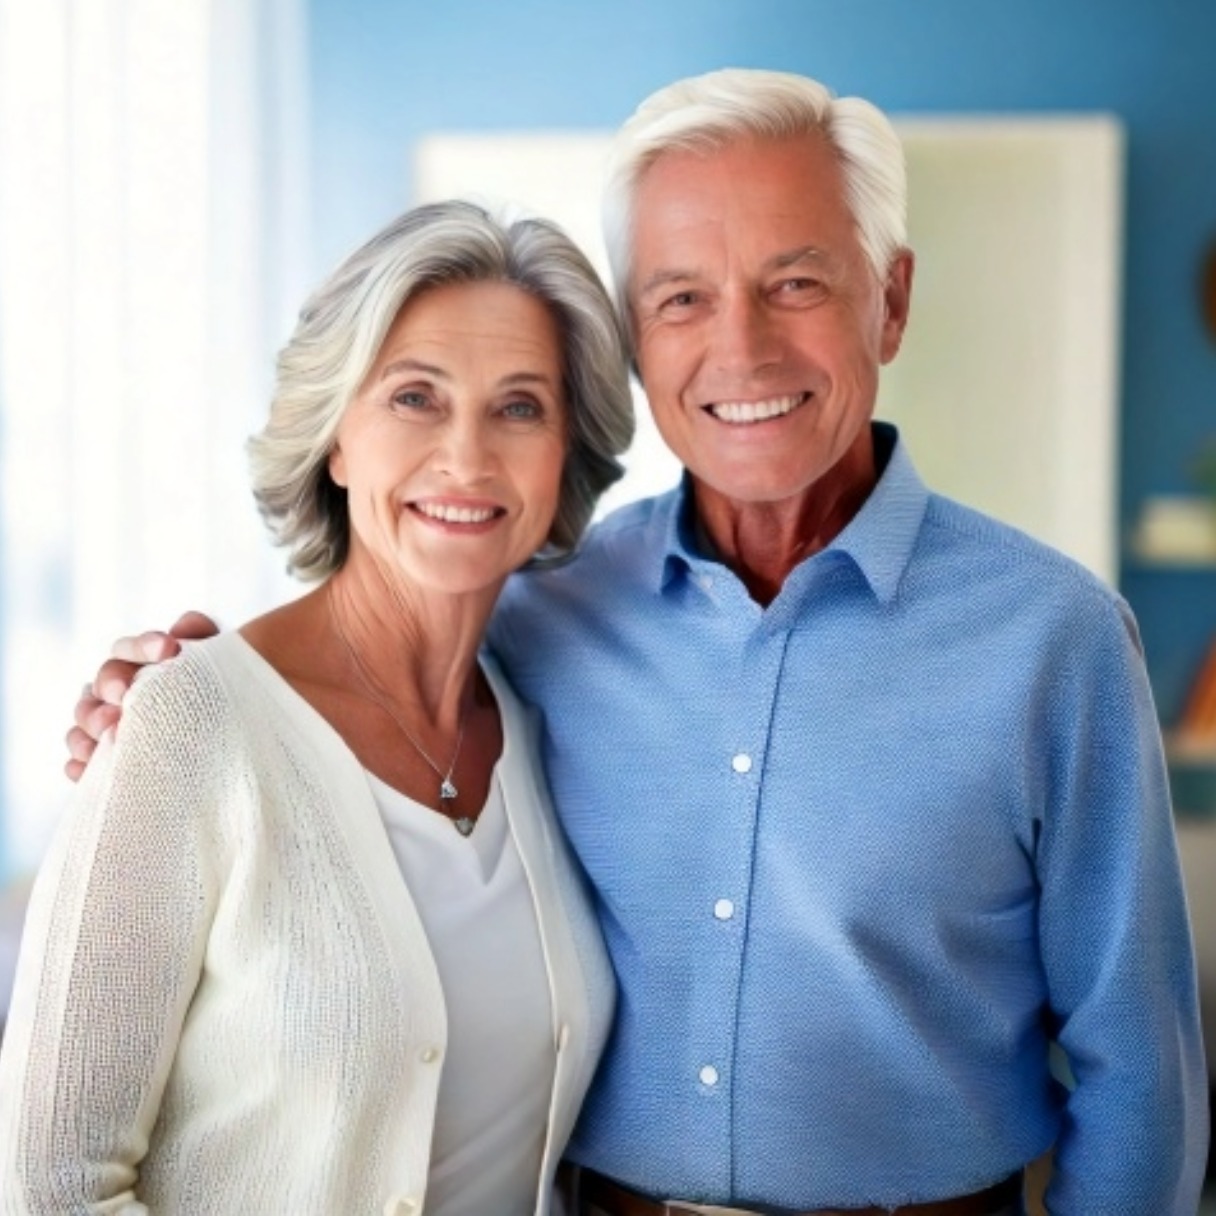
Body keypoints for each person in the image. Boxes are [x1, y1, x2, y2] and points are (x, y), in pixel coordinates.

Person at [66, 69, 1208, 1214]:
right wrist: (170, 697)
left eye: (795, 282)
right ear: (632, 335)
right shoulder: (538, 614)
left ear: (891, 301)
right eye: (680, 299)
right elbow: (356, 688)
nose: (741, 349)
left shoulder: (1052, 640)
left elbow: (1140, 1084)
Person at [1, 199, 634, 1214]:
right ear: (335, 441)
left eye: (520, 407)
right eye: (415, 397)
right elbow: (50, 1185)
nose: (467, 457)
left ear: (566, 461)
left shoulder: (549, 723)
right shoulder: (187, 724)